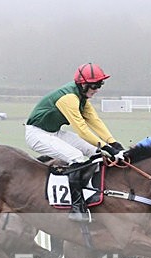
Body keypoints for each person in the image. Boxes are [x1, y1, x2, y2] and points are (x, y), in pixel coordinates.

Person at [25, 62, 125, 221]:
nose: (98, 89)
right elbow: (82, 130)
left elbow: (95, 121)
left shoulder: (82, 97)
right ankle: (77, 206)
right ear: (83, 84)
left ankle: (95, 192)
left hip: (54, 132)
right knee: (77, 156)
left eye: (101, 84)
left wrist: (114, 144)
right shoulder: (69, 98)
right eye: (95, 85)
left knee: (94, 151)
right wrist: (109, 148)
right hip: (36, 134)